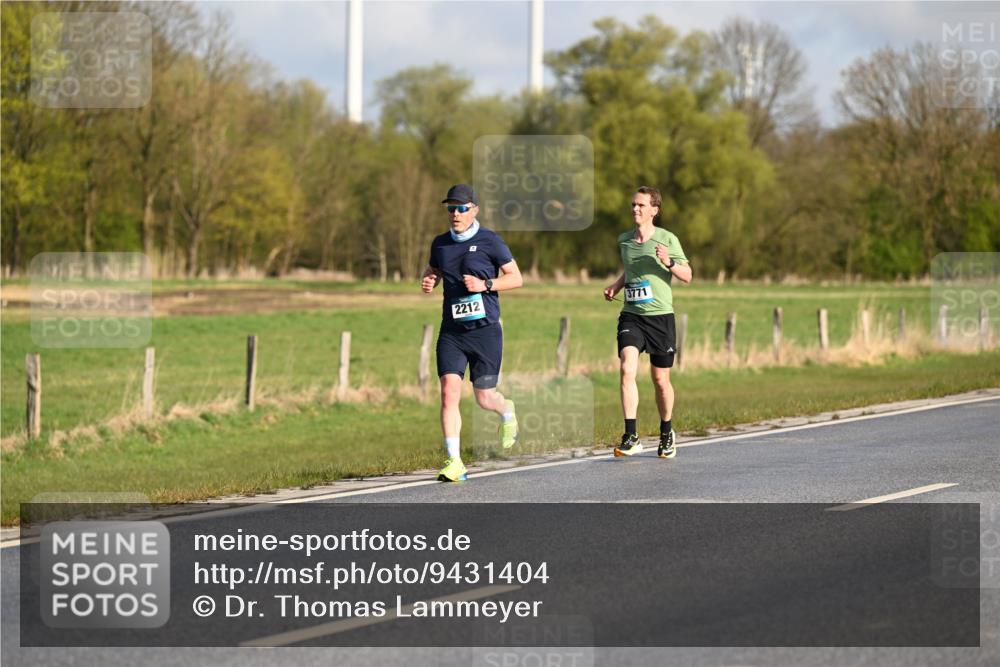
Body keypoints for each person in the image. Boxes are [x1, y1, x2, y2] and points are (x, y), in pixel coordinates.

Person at [421, 184, 523, 482]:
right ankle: (454, 462)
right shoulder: (440, 244)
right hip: (452, 332)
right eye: (451, 208)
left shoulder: (490, 241)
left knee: (484, 398)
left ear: (474, 210)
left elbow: (516, 278)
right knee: (448, 393)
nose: (455, 214)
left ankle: (506, 411)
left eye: (462, 208)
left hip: (485, 331)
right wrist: (429, 280)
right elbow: (433, 271)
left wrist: (485, 285)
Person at [603, 186, 693, 459]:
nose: (635, 209)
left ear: (654, 210)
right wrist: (617, 286)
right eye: (633, 204)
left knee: (660, 380)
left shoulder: (667, 239)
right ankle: (631, 436)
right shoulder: (625, 240)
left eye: (641, 205)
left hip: (660, 317)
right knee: (626, 368)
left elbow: (687, 275)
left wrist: (669, 262)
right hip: (632, 315)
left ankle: (666, 432)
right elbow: (631, 270)